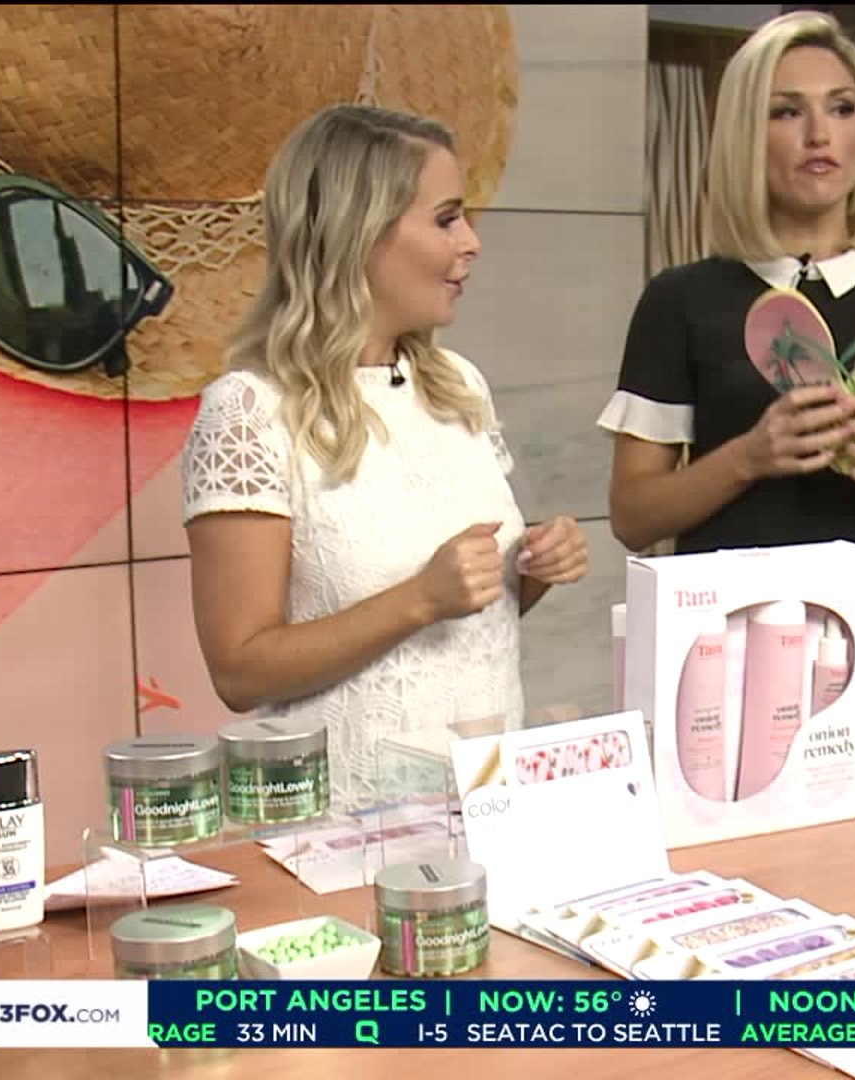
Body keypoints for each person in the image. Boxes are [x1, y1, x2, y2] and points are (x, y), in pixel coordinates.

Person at [180, 105, 589, 813]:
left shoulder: (458, 386)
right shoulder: (249, 412)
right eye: (447, 219)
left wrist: (532, 569)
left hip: (488, 808)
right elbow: (239, 671)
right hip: (338, 827)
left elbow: (470, 623)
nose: (472, 243)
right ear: (358, 232)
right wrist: (420, 598)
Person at [598, 11, 855, 600]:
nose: (819, 134)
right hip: (732, 630)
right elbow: (633, 518)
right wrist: (749, 457)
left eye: (842, 108)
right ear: (745, 137)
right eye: (787, 111)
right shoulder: (679, 301)